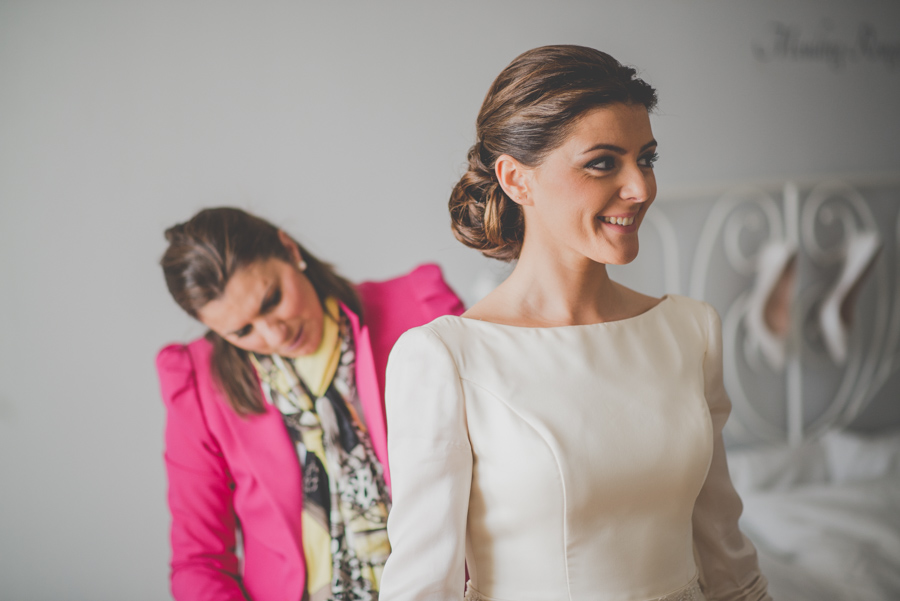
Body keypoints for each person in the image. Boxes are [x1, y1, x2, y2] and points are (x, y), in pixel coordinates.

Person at [379, 46, 771, 601]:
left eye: (647, 159)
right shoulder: (446, 358)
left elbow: (725, 553)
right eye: (603, 162)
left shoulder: (690, 332)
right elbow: (423, 586)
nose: (641, 189)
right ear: (517, 180)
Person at [156, 207, 464, 601]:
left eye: (272, 300)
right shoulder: (198, 385)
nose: (275, 333)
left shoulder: (420, 308)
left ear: (289, 249)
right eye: (242, 331)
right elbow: (199, 561)